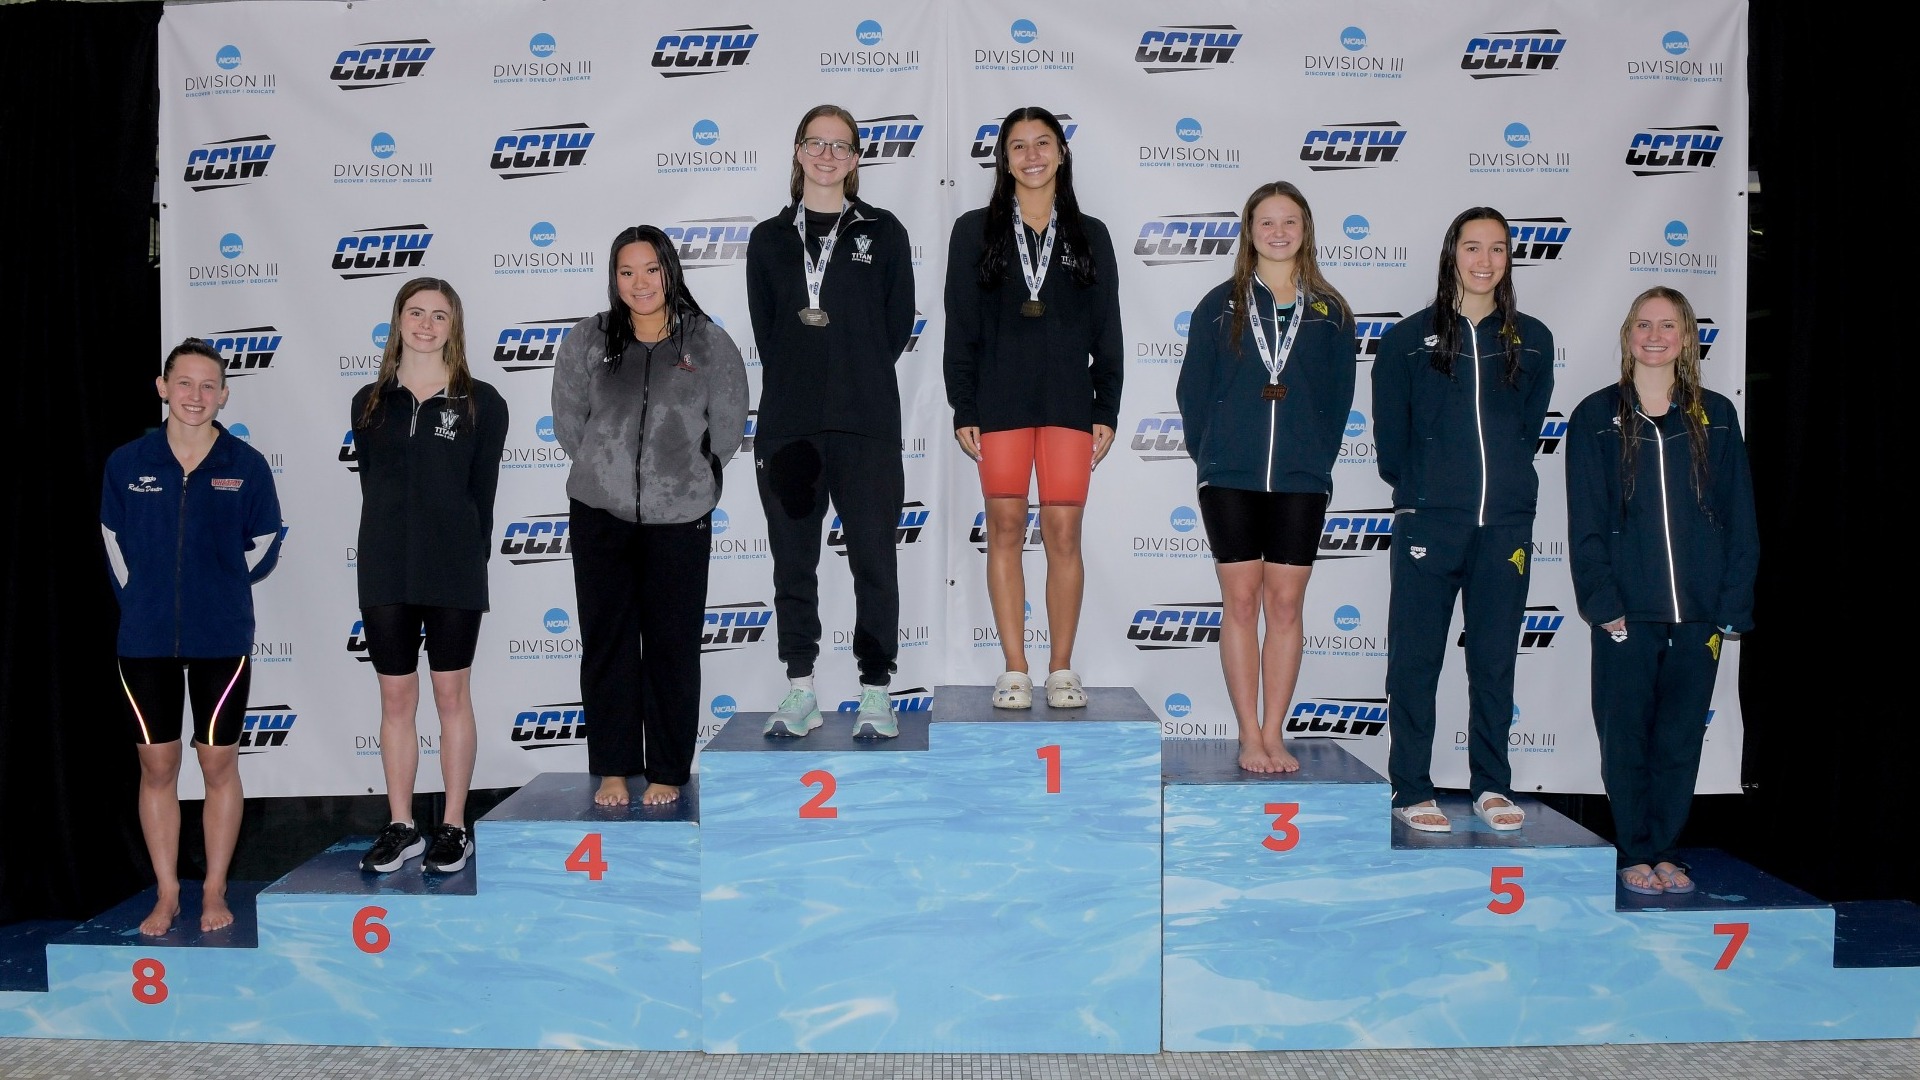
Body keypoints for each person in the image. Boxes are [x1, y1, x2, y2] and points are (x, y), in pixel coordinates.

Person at [1567, 287, 1757, 895]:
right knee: (1624, 739)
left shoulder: (1716, 415)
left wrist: (1731, 604)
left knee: (1679, 740)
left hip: (1699, 613)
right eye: (1644, 324)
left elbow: (1740, 516)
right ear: (1628, 334)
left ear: (1687, 337)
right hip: (1627, 613)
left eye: (1668, 325)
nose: (1655, 335)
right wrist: (1603, 605)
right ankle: (1633, 851)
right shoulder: (1595, 416)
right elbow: (1585, 521)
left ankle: (1668, 850)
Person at [1372, 207, 1554, 833]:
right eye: (1473, 247)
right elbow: (1392, 442)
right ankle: (1411, 787)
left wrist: (1502, 489)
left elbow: (1526, 430)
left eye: (1497, 249)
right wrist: (1427, 492)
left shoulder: (1533, 339)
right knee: (1415, 660)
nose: (1485, 260)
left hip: (1505, 525)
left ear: (1509, 260)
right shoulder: (1406, 339)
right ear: (1452, 253)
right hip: (1429, 523)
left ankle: (1491, 784)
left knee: (1495, 660)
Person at [553, 226, 748, 806]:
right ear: (614, 279)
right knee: (607, 645)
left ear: (669, 271)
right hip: (600, 515)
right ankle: (613, 768)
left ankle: (667, 769)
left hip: (679, 519)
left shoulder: (707, 343)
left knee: (672, 646)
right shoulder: (587, 339)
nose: (639, 283)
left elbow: (729, 426)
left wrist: (692, 476)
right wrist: (604, 470)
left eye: (650, 269)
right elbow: (569, 422)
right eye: (626, 272)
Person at [943, 105, 1123, 710]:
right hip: (999, 404)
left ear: (1062, 153)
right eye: (1018, 146)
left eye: (1042, 143)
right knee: (1005, 528)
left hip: (1070, 406)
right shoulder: (974, 231)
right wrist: (963, 404)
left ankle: (1062, 668)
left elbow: (1108, 329)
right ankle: (1015, 669)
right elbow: (960, 326)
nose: (1031, 156)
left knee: (1064, 533)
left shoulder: (1090, 234)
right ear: (1004, 158)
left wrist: (1107, 406)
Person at [102, 338, 283, 934]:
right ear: (163, 387)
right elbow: (112, 544)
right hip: (145, 638)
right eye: (184, 383)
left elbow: (266, 542)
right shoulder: (127, 463)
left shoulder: (245, 465)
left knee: (217, 762)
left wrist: (221, 589)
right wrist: (143, 602)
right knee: (157, 766)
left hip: (221, 637)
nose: (195, 395)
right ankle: (166, 892)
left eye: (208, 386)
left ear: (224, 395)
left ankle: (213, 889)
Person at [746, 104, 916, 740]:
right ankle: (801, 688)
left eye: (840, 145)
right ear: (798, 151)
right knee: (794, 563)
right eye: (815, 143)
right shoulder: (769, 238)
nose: (827, 155)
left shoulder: (884, 230)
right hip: (790, 427)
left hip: (865, 424)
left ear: (855, 159)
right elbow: (768, 330)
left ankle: (876, 689)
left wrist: (854, 373)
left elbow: (896, 325)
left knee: (874, 559)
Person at [1176, 182, 1356, 773]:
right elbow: (1193, 391)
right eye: (1267, 222)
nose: (1279, 233)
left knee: (1285, 604)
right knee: (1240, 601)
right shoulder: (1219, 304)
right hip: (1230, 475)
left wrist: (1315, 458)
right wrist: (1213, 456)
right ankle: (1248, 733)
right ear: (1249, 232)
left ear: (1306, 230)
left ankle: (1275, 730)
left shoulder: (1330, 311)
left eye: (1290, 222)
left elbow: (1339, 398)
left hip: (1301, 479)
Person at [351, 278, 508, 874]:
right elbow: (374, 486)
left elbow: (483, 493)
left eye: (439, 315)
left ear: (454, 326)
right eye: (415, 313)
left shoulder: (482, 402)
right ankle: (401, 825)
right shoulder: (369, 401)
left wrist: (469, 558)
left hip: (454, 568)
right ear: (398, 321)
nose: (425, 324)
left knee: (450, 694)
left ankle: (453, 826)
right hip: (386, 567)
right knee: (396, 697)